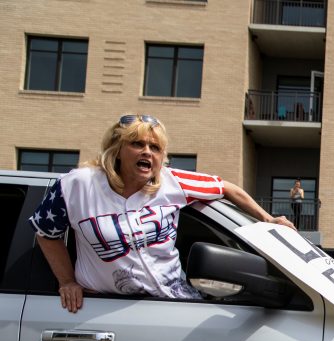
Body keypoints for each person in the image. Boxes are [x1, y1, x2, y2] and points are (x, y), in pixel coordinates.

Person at [31, 114, 292, 313]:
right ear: (117, 150)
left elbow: (226, 188)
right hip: (105, 308)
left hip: (173, 302)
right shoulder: (76, 185)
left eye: (155, 148)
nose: (147, 151)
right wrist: (67, 281)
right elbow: (46, 234)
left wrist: (267, 219)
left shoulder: (173, 182)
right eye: (137, 144)